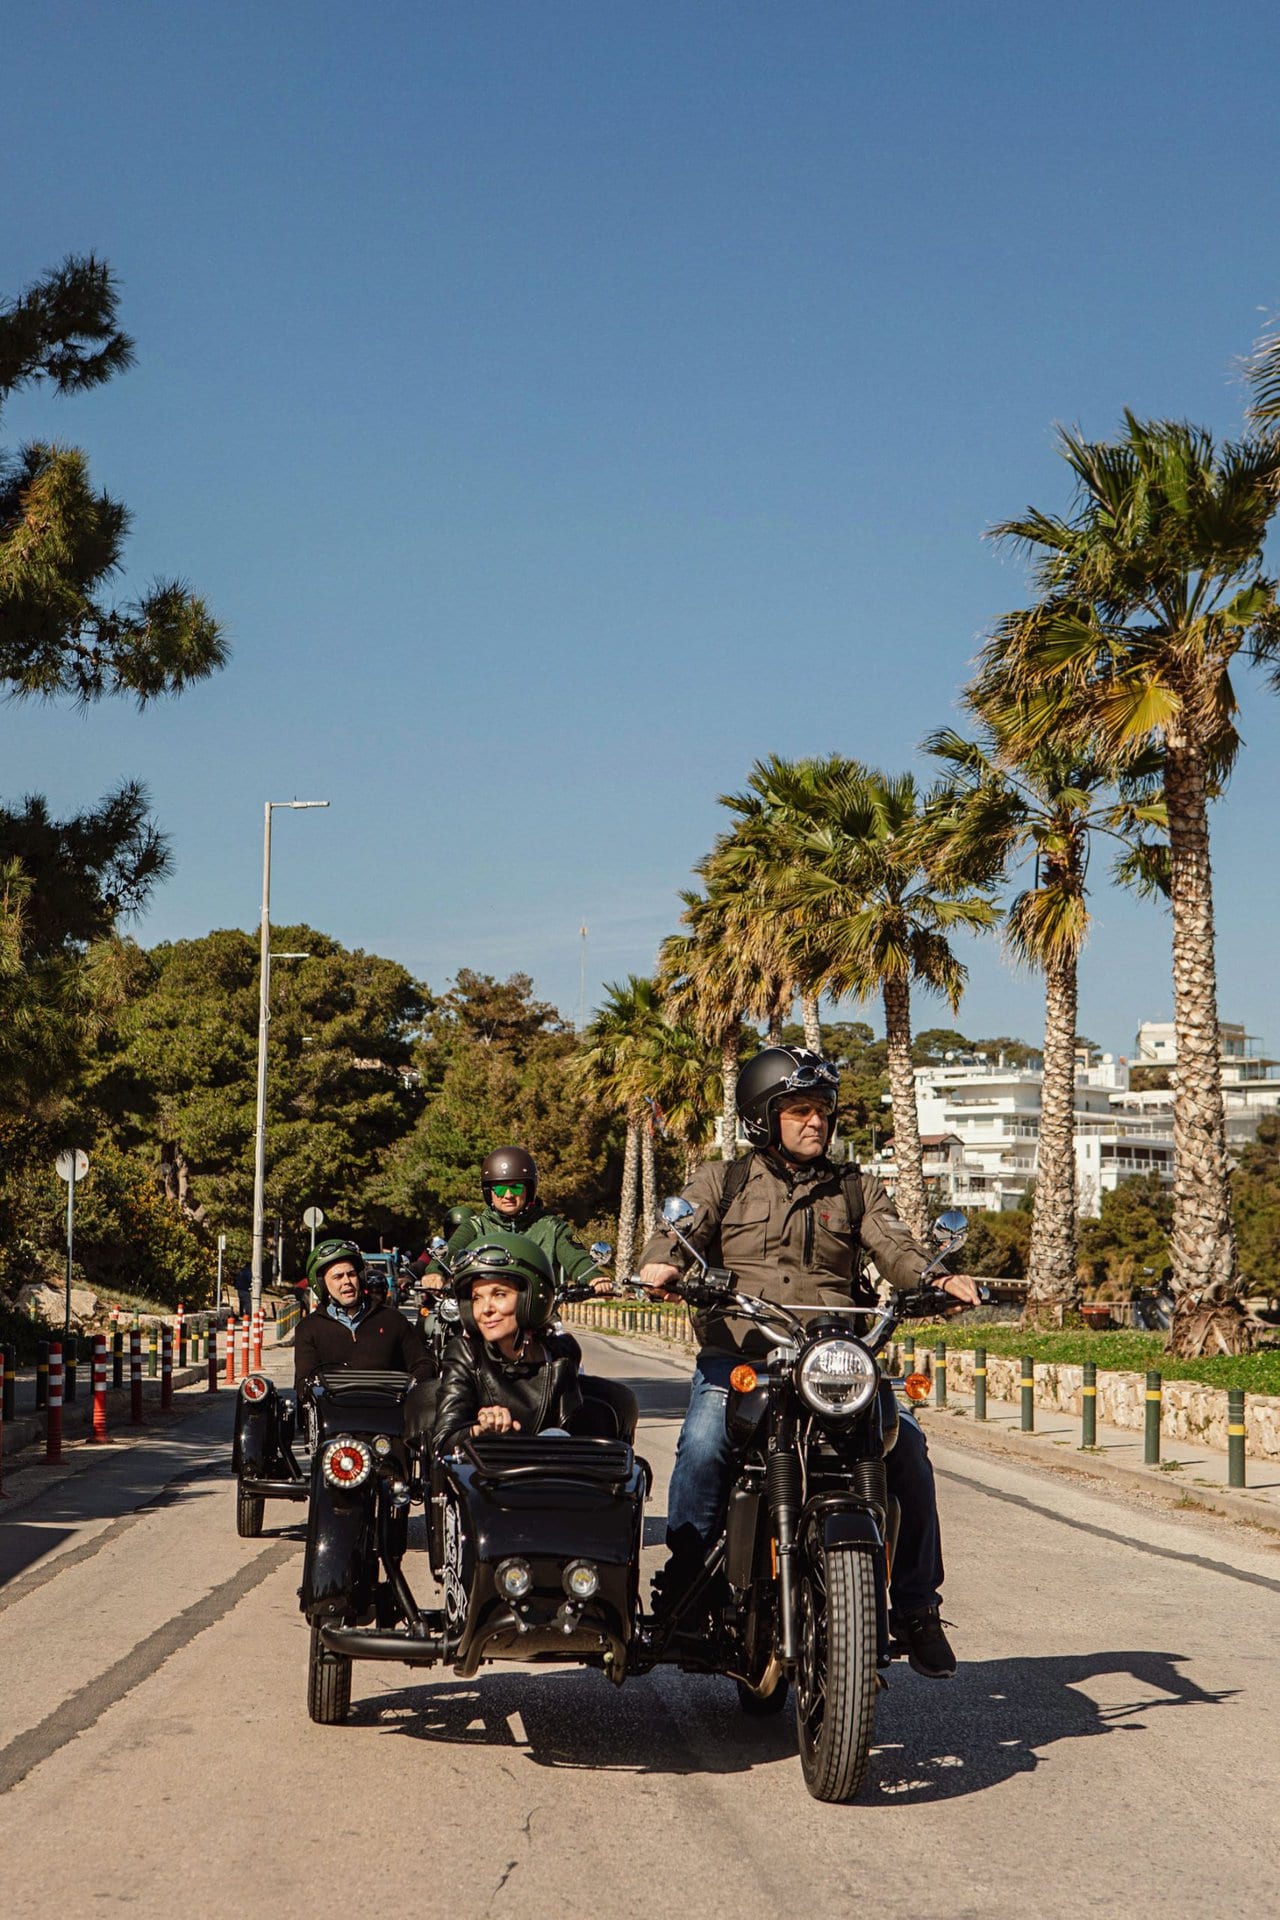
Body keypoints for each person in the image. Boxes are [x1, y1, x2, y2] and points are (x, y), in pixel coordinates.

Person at [637, 1045, 981, 1679]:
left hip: (834, 1358)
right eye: (799, 1110)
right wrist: (665, 1266)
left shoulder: (856, 1188)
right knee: (704, 1443)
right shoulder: (723, 1180)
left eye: (822, 1109)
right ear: (763, 1116)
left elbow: (896, 1247)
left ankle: (917, 1607)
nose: (815, 1121)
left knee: (905, 1446)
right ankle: (686, 1586)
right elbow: (679, 1233)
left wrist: (934, 1278)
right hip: (744, 1354)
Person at [432, 1232, 636, 1454]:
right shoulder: (465, 1353)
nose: (485, 1309)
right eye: (476, 1298)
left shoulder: (561, 1355)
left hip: (552, 1470)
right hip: (486, 1469)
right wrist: (479, 1430)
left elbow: (572, 1433)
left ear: (532, 1297)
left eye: (499, 1294)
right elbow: (443, 1439)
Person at [420, 1147, 612, 1294]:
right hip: (486, 1310)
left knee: (560, 1337)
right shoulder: (475, 1226)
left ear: (529, 1189)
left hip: (539, 1310)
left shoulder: (552, 1227)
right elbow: (451, 1251)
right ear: (488, 1192)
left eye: (516, 1187)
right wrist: (436, 1271)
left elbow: (576, 1256)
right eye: (500, 1189)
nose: (508, 1195)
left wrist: (593, 1276)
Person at [293, 1239, 435, 1391]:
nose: (347, 1281)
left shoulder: (393, 1320)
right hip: (333, 1406)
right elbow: (304, 1383)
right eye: (338, 1277)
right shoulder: (308, 1328)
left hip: (388, 1404)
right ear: (322, 1284)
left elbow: (424, 1363)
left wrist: (411, 1388)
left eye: (351, 1274)